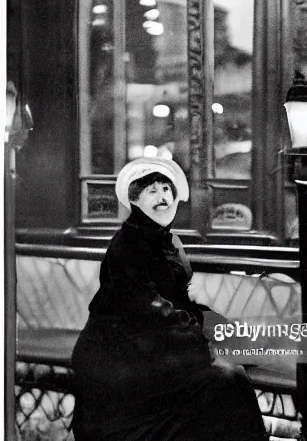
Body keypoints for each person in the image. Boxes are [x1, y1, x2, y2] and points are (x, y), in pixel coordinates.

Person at [71, 155, 267, 441]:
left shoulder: (168, 241)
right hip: (120, 361)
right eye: (152, 191)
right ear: (134, 200)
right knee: (227, 379)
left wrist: (231, 335)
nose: (163, 197)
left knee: (230, 376)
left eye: (167, 190)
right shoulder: (127, 245)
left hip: (155, 349)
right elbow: (150, 311)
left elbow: (181, 304)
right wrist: (206, 344)